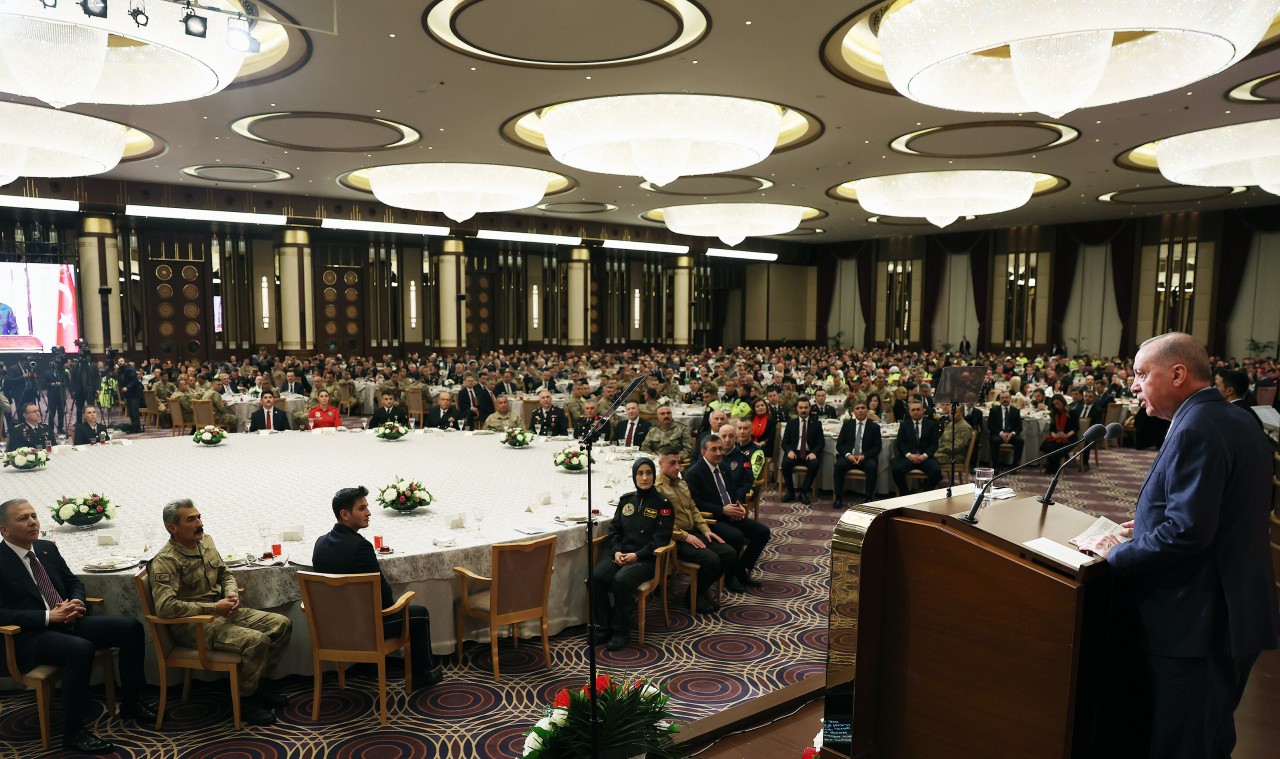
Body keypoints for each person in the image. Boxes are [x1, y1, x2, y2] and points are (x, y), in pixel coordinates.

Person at [1078, 333, 1278, 759]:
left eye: (1140, 374)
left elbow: (1188, 532)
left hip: (1199, 623)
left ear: (1178, 374)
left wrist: (1117, 553)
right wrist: (1147, 523)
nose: (1132, 385)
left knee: (1182, 745)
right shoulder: (1236, 418)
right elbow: (1229, 509)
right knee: (1210, 740)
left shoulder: (1198, 427)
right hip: (1231, 613)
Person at [0, 498, 156, 754]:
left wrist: (75, 602)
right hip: (28, 636)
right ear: (4, 529)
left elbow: (74, 582)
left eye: (34, 515)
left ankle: (131, 702)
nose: (32, 522)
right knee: (80, 649)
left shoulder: (45, 548)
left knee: (130, 627)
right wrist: (50, 616)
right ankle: (73, 732)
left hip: (66, 621)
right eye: (23, 518)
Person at [149, 499, 293, 725]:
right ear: (172, 528)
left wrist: (231, 594)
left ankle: (256, 686)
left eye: (199, 517)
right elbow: (166, 607)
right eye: (191, 519)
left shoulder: (205, 541)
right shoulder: (165, 561)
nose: (199, 523)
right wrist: (214, 607)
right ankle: (245, 700)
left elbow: (225, 574)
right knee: (257, 641)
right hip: (193, 625)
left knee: (281, 624)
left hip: (222, 612)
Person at [312, 487, 443, 688]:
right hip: (365, 630)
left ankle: (367, 667)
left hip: (331, 628)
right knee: (419, 613)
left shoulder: (320, 543)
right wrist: (395, 605)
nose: (369, 513)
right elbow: (383, 598)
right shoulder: (361, 547)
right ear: (345, 515)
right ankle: (424, 673)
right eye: (362, 508)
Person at [590, 458, 674, 651]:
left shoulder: (663, 504)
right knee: (596, 577)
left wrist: (637, 555)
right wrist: (616, 551)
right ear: (635, 476)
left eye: (648, 473)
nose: (644, 478)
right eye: (640, 473)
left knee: (621, 580)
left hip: (646, 559)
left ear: (654, 475)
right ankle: (603, 627)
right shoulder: (626, 500)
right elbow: (615, 530)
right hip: (622, 555)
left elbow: (660, 540)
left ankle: (621, 630)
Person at [683, 436, 772, 590]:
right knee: (736, 536)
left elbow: (731, 492)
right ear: (704, 452)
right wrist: (722, 510)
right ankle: (730, 578)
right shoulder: (694, 473)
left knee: (763, 532)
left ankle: (740, 570)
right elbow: (696, 504)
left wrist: (739, 506)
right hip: (711, 518)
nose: (719, 453)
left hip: (730, 513)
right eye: (714, 449)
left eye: (720, 449)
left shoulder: (723, 467)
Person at [655, 448, 736, 613]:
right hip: (676, 540)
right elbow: (661, 524)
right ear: (660, 464)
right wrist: (685, 536)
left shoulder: (681, 482)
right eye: (672, 463)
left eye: (679, 462)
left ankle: (699, 590)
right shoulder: (657, 489)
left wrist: (705, 530)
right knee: (711, 560)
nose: (678, 467)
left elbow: (693, 509)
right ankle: (694, 596)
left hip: (694, 533)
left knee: (729, 553)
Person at [833, 399, 881, 509]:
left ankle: (868, 497)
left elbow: (877, 447)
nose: (860, 411)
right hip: (849, 457)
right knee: (839, 466)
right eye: (857, 408)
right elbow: (839, 445)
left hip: (865, 457)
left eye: (863, 408)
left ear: (867, 410)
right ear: (853, 411)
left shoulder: (874, 427)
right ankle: (838, 497)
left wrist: (864, 456)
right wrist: (848, 455)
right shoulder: (847, 425)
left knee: (872, 466)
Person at [891, 400, 942, 496]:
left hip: (925, 456)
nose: (916, 412)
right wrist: (909, 455)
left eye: (918, 409)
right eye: (913, 410)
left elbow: (934, 444)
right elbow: (900, 443)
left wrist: (925, 456)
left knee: (936, 471)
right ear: (909, 411)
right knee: (896, 469)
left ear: (923, 410)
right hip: (908, 457)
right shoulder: (904, 425)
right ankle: (905, 494)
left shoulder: (931, 425)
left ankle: (924, 494)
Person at [780, 398, 824, 504]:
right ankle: (790, 492)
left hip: (810, 453)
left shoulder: (816, 423)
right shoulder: (791, 423)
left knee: (815, 464)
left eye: (805, 407)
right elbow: (784, 443)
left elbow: (821, 443)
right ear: (797, 409)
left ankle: (803, 492)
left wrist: (814, 453)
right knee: (785, 463)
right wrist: (789, 451)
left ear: (809, 408)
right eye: (801, 408)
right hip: (794, 452)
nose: (803, 410)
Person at [1038, 394, 1079, 473]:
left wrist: (1066, 435)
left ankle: (1054, 467)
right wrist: (1054, 434)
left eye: (1058, 403)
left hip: (1070, 437)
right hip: (1057, 436)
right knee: (1045, 445)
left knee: (1054, 447)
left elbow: (1075, 428)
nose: (1056, 406)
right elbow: (1052, 428)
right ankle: (1052, 465)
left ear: (1062, 402)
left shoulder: (1072, 412)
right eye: (1054, 404)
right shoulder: (1055, 413)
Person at [987, 391, 1024, 471]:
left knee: (1020, 441)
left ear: (1010, 399)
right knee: (994, 440)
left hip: (1011, 434)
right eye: (1002, 398)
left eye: (1006, 397)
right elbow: (990, 426)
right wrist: (1001, 433)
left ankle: (1014, 466)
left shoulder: (1016, 411)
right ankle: (995, 466)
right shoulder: (993, 410)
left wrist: (1012, 433)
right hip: (998, 433)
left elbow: (1019, 427)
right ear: (999, 400)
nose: (1005, 399)